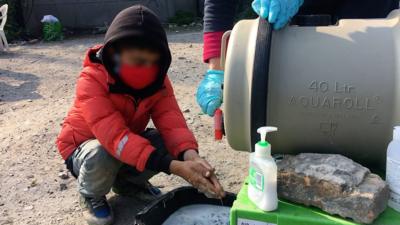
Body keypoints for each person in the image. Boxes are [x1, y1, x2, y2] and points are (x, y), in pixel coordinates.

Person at [56, 5, 225, 225]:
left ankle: (127, 184)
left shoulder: (158, 80)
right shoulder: (92, 79)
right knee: (102, 152)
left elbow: (172, 122)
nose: (144, 68)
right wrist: (174, 167)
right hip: (86, 148)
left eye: (151, 62)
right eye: (135, 61)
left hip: (124, 143)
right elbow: (115, 137)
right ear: (114, 53)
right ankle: (91, 195)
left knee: (166, 143)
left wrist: (191, 157)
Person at [197, 0, 399, 116]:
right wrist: (217, 68)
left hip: (364, 10)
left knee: (360, 91)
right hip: (286, 11)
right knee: (291, 91)